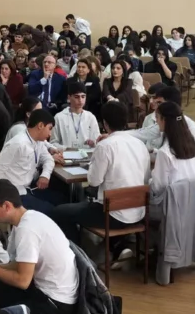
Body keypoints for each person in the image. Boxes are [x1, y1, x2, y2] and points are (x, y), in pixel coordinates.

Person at [49, 101, 149, 256]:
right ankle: (117, 248)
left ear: (105, 123)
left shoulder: (105, 146)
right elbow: (146, 177)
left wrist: (93, 165)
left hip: (113, 214)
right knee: (92, 203)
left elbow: (94, 181)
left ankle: (77, 256)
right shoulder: (140, 144)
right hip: (138, 212)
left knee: (60, 212)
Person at [0, 179, 77, 314]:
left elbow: (22, 281)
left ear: (7, 206)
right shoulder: (30, 216)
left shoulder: (27, 229)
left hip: (54, 305)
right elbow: (20, 265)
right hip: (46, 292)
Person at [0, 108, 62, 212]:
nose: (50, 134)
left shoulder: (39, 141)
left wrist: (45, 175)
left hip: (27, 188)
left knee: (61, 199)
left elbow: (48, 159)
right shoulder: (18, 143)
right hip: (15, 194)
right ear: (40, 126)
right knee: (52, 211)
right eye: (49, 129)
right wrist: (2, 201)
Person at [127, 84, 195, 154]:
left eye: (159, 103)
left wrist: (154, 152)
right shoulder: (159, 122)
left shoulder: (191, 128)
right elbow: (141, 134)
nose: (154, 104)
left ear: (172, 105)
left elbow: (181, 157)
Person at [150, 102, 195, 195]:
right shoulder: (190, 143)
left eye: (157, 117)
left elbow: (159, 187)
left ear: (164, 120)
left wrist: (151, 178)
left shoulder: (164, 152)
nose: (156, 121)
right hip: (193, 195)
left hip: (173, 199)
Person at [52, 80, 100, 149]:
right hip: (66, 154)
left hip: (87, 154)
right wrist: (67, 149)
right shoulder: (59, 117)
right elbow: (53, 143)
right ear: (69, 98)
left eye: (83, 97)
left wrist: (93, 143)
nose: (80, 100)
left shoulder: (90, 117)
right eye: (76, 97)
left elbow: (97, 140)